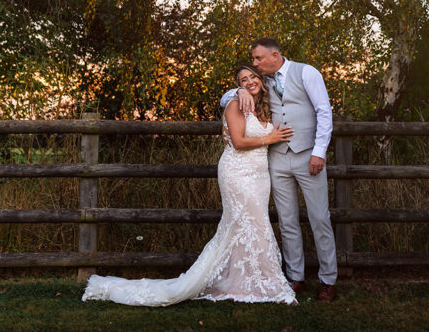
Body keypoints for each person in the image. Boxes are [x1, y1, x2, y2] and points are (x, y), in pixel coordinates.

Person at [82, 65, 296, 306]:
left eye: (252, 77)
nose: (249, 82)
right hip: (237, 172)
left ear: (261, 79)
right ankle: (264, 283)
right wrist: (270, 137)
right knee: (246, 223)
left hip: (259, 176)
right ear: (238, 85)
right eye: (242, 80)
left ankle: (253, 279)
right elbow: (238, 141)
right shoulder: (235, 103)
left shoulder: (263, 106)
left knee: (253, 225)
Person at [220, 37, 338, 302]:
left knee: (320, 218)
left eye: (258, 59)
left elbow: (324, 112)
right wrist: (236, 91)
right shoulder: (262, 81)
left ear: (275, 55)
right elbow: (228, 98)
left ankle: (328, 280)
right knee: (287, 221)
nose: (255, 63)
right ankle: (294, 277)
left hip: (309, 156)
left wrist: (319, 152)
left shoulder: (307, 72)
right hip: (278, 159)